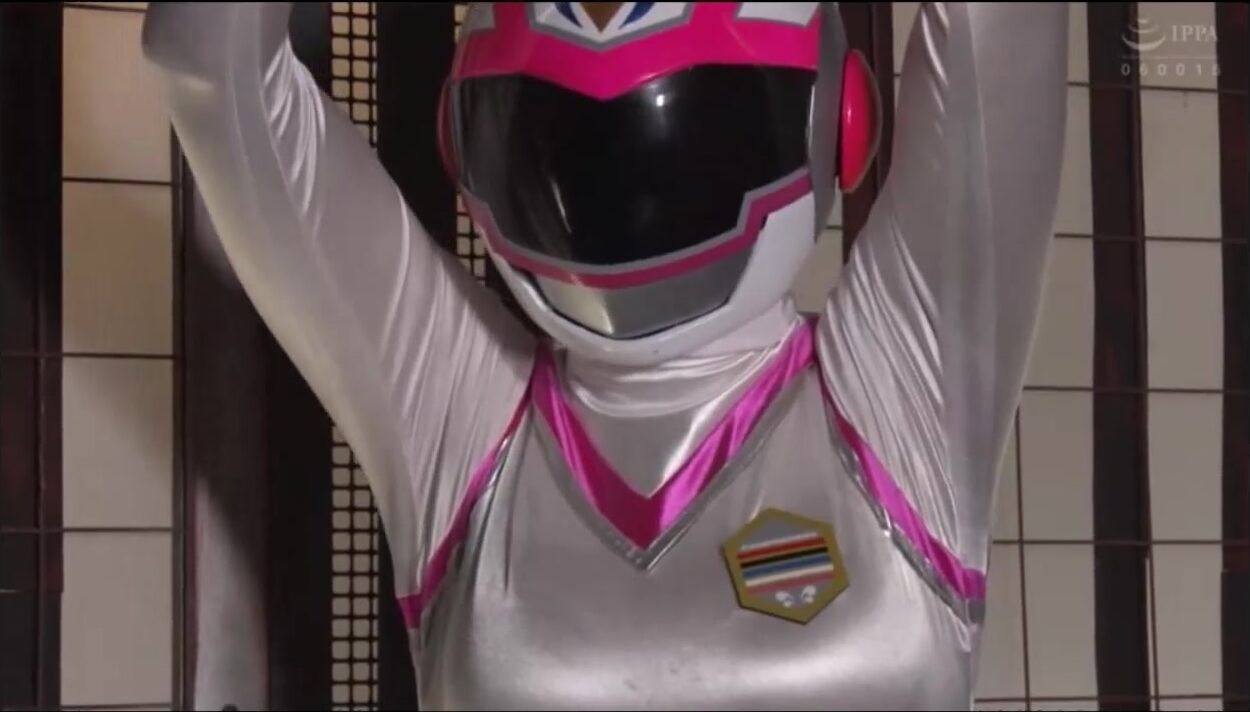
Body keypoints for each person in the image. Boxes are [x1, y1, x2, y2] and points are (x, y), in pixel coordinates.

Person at [144, 2, 1067, 709]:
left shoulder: (895, 397)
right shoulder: (466, 423)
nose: (631, 187)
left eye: (697, 131)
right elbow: (209, 66)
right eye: (566, 141)